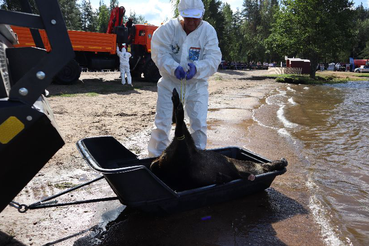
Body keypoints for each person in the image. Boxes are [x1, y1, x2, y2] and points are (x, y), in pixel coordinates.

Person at [148, 0, 222, 157]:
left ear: (201, 15)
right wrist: (173, 68)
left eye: (196, 18)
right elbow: (159, 53)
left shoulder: (208, 31)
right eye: (188, 18)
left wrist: (197, 68)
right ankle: (155, 158)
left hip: (197, 85)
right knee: (162, 123)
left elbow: (213, 59)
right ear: (181, 15)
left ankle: (198, 158)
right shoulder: (168, 29)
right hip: (170, 83)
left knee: (199, 124)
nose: (192, 22)